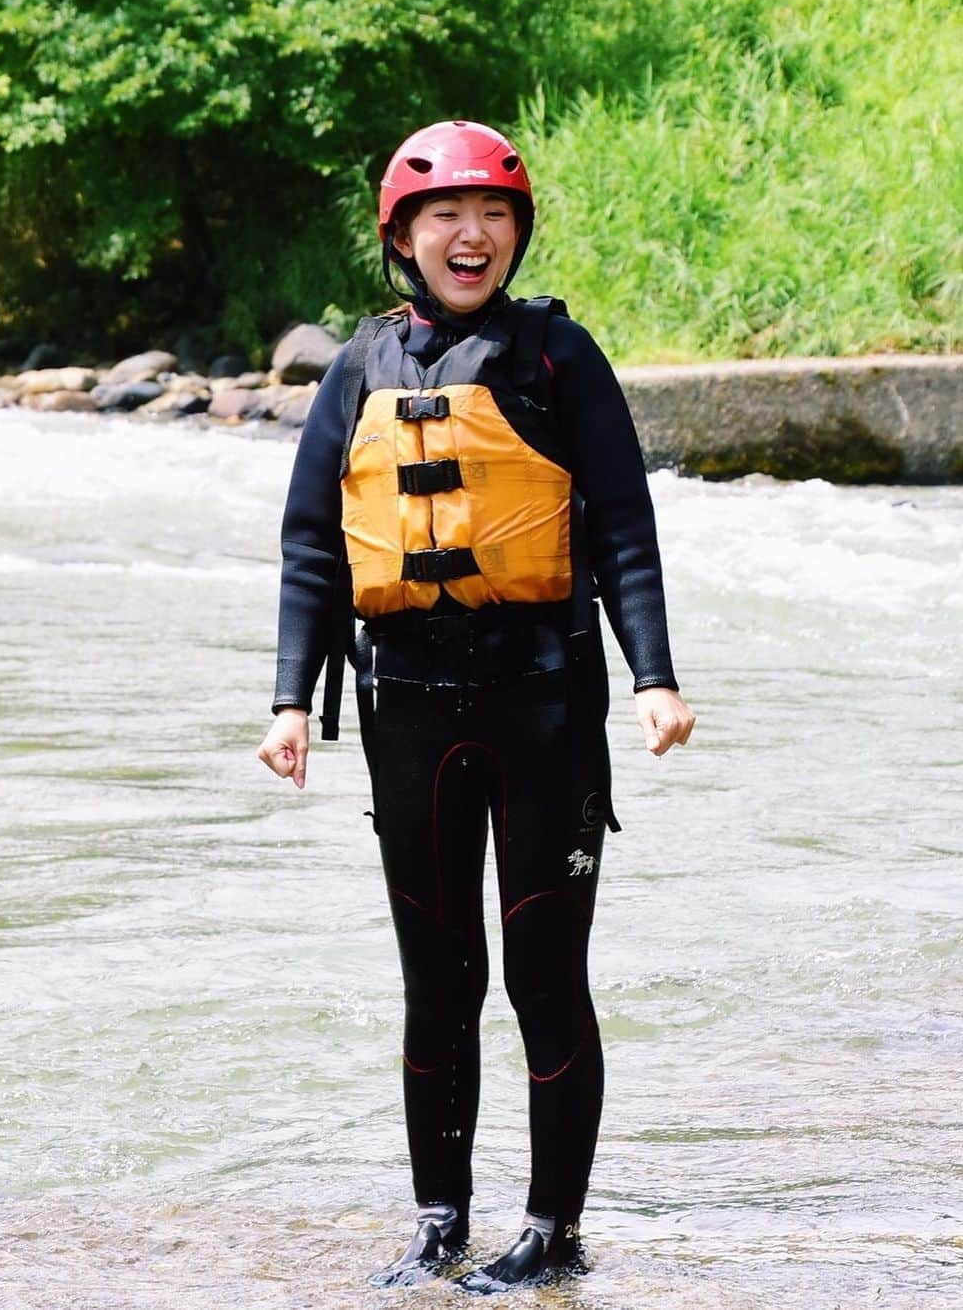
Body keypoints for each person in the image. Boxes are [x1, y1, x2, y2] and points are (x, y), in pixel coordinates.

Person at [258, 119, 695, 1294]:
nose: (472, 233)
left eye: (494, 213)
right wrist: (290, 700)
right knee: (435, 977)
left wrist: (653, 674)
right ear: (402, 236)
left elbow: (622, 532)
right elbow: (312, 545)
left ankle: (554, 1227)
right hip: (404, 711)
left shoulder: (559, 358)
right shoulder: (356, 368)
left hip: (541, 709)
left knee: (543, 973)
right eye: (444, 214)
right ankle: (439, 1218)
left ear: (518, 231)